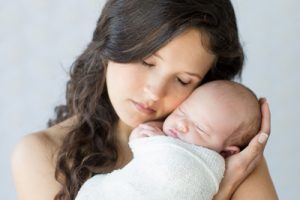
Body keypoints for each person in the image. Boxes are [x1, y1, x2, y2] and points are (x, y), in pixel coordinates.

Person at [11, 0, 278, 200]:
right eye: (145, 61)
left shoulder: (221, 151)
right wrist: (224, 190)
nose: (154, 92)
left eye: (183, 80)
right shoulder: (42, 153)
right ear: (112, 42)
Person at [75, 80, 262, 200]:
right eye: (181, 112)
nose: (182, 125)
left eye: (200, 128)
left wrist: (149, 142)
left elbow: (169, 174)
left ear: (227, 152)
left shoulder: (201, 167)